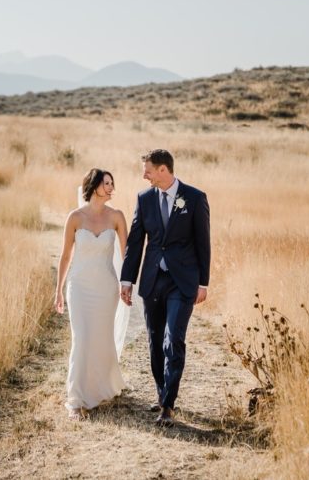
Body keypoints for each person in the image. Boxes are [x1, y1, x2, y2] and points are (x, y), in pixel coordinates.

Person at [120, 149, 211, 426]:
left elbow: (203, 242)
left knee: (174, 339)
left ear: (163, 170)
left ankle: (168, 406)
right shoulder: (144, 199)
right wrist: (127, 280)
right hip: (152, 280)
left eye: (147, 169)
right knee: (155, 340)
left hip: (182, 282)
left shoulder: (195, 198)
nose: (144, 175)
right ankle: (162, 393)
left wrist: (203, 282)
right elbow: (136, 242)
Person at [55, 168, 128, 420]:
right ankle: (75, 399)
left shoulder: (117, 217)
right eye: (105, 183)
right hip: (79, 287)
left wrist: (126, 284)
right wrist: (59, 291)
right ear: (93, 185)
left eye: (111, 183)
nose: (110, 187)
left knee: (100, 338)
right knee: (82, 338)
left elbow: (127, 254)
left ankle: (102, 387)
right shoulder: (75, 218)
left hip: (106, 288)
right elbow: (65, 256)